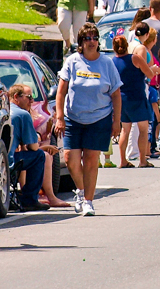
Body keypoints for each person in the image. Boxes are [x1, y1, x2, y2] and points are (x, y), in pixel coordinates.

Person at [54, 22, 121, 216]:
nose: (92, 42)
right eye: (87, 38)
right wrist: (60, 117)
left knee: (91, 160)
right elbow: (61, 92)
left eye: (94, 38)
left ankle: (88, 201)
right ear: (81, 43)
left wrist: (116, 121)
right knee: (70, 159)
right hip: (73, 118)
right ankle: (82, 192)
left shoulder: (107, 63)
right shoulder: (72, 61)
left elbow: (116, 95)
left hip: (99, 117)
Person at [114, 32, 160, 168]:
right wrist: (152, 69)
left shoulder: (112, 62)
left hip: (121, 99)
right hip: (137, 97)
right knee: (143, 129)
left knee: (124, 130)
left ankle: (123, 160)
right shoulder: (135, 58)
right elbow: (149, 74)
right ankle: (143, 160)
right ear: (127, 46)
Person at [7, 82, 51, 210]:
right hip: (7, 162)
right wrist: (45, 148)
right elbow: (34, 147)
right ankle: (29, 199)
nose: (32, 101)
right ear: (16, 97)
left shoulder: (4, 111)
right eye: (29, 97)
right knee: (39, 156)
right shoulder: (22, 114)